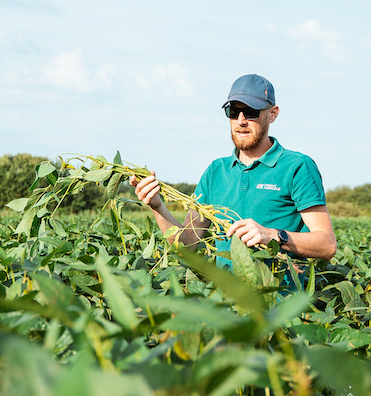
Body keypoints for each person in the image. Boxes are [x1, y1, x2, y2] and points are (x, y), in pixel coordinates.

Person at [129, 73, 337, 266]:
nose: (241, 121)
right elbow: (189, 245)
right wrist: (157, 206)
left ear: (273, 114)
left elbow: (327, 245)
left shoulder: (297, 166)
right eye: (233, 111)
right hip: (226, 301)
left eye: (251, 112)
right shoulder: (215, 171)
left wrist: (272, 236)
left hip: (278, 301)